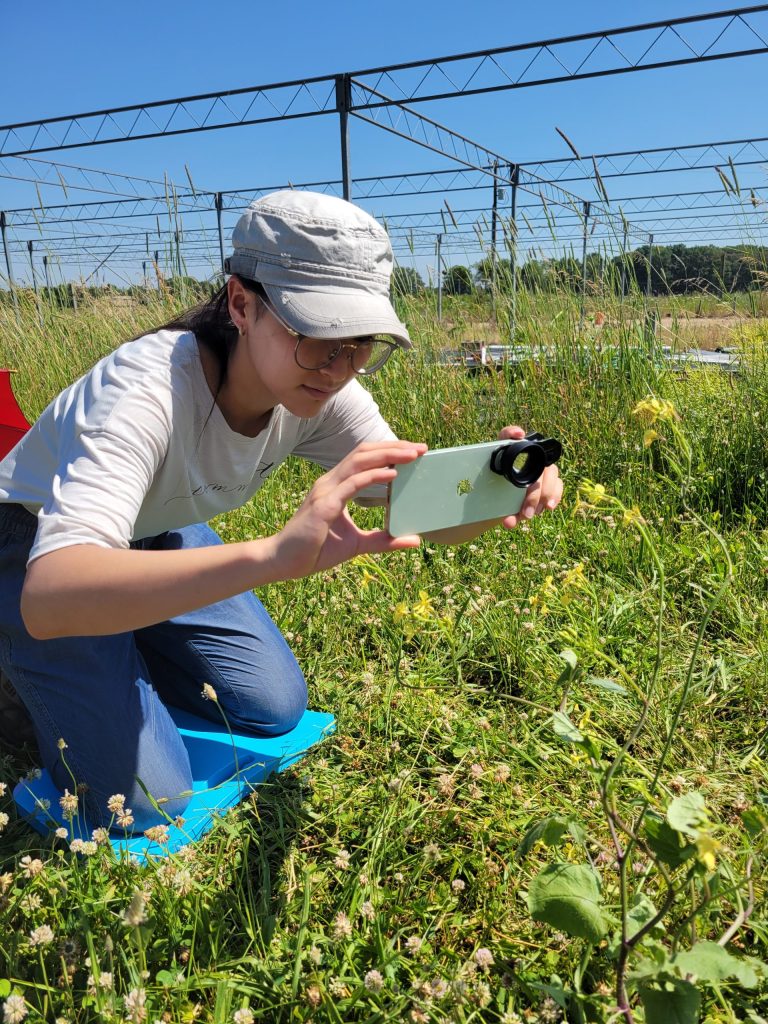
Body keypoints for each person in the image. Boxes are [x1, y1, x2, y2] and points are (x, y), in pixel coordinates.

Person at [0, 190, 562, 830]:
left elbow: (411, 501)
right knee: (148, 803)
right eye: (315, 334)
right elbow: (51, 595)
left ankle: (113, 646)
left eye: (359, 342)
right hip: (33, 541)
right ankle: (29, 672)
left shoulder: (325, 392)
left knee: (272, 705)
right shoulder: (145, 390)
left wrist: (505, 489)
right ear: (241, 304)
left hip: (153, 531)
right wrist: (269, 558)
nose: (337, 366)